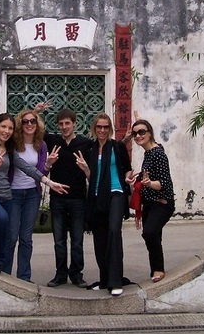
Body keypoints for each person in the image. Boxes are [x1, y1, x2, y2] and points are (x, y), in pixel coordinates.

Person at [0, 113, 68, 276]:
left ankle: (18, 276)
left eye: (9, 128)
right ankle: (1, 267)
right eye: (3, 127)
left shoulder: (20, 148)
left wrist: (49, 182)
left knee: (19, 236)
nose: (6, 131)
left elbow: (28, 168)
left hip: (18, 195)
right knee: (6, 228)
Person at [35, 103, 93, 288]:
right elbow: (33, 128)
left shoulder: (85, 143)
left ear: (74, 123)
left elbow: (105, 147)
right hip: (57, 198)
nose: (64, 127)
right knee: (59, 241)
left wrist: (86, 169)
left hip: (78, 198)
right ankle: (60, 275)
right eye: (61, 124)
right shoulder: (53, 141)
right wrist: (37, 112)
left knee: (77, 241)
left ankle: (76, 274)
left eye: (67, 123)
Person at [77, 113, 134, 297]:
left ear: (110, 129)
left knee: (113, 231)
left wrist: (127, 177)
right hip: (96, 197)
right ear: (94, 128)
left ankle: (116, 280)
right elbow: (91, 176)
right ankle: (104, 279)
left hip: (116, 193)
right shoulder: (90, 149)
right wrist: (86, 169)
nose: (102, 130)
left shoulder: (117, 147)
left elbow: (127, 169)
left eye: (106, 127)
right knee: (99, 237)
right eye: (99, 127)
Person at [2, 110, 58, 282]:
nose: (29, 124)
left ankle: (24, 277)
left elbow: (39, 172)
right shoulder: (11, 144)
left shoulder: (40, 145)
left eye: (32, 121)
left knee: (26, 237)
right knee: (11, 236)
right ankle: (5, 276)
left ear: (37, 124)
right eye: (25, 121)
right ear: (20, 124)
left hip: (32, 194)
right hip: (13, 193)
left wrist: (48, 165)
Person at [129, 119, 175, 283]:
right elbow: (147, 176)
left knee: (149, 232)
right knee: (153, 236)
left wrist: (149, 183)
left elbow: (164, 183)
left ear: (150, 133)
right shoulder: (149, 153)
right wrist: (137, 180)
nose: (138, 136)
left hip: (161, 202)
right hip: (149, 203)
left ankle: (158, 269)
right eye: (135, 133)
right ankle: (156, 268)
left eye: (142, 132)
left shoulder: (158, 154)